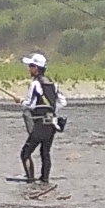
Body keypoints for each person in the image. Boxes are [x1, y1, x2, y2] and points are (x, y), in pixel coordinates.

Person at [18, 53, 66, 183]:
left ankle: (30, 180)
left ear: (37, 68)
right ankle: (45, 180)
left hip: (40, 125)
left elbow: (30, 104)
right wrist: (51, 110)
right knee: (45, 153)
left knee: (25, 153)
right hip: (52, 125)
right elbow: (62, 101)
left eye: (31, 66)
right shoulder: (53, 84)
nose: (29, 69)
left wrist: (20, 101)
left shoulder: (35, 84)